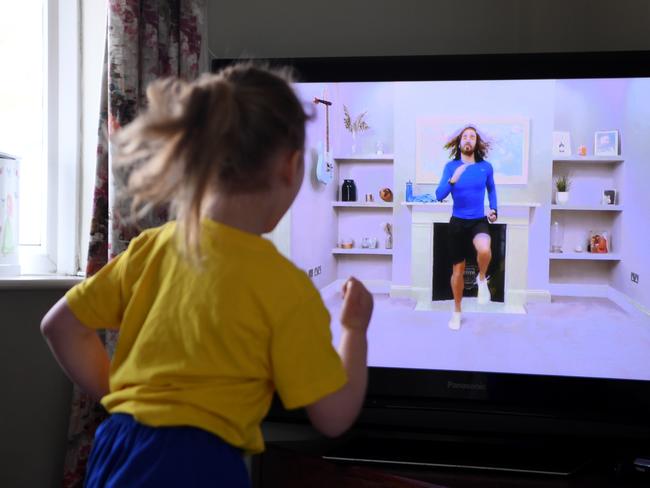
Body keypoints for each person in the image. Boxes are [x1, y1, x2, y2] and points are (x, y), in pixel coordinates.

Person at [40, 63, 373, 487]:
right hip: (200, 464)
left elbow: (59, 326)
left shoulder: (150, 247)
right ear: (291, 168)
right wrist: (354, 329)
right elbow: (334, 415)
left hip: (118, 448)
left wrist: (127, 400)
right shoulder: (285, 288)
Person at [435, 125, 498, 330]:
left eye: (472, 136)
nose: (468, 139)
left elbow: (492, 189)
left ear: (476, 143)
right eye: (465, 136)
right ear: (460, 142)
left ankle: (482, 279)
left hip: (478, 219)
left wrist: (494, 209)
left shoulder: (485, 167)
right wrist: (453, 179)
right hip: (457, 222)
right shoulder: (451, 166)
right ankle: (457, 311)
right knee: (458, 271)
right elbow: (439, 195)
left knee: (485, 249)